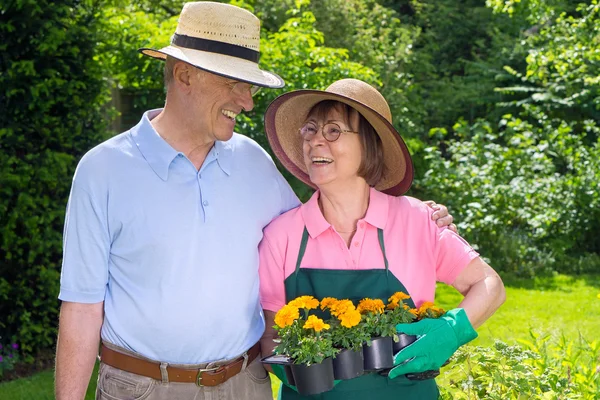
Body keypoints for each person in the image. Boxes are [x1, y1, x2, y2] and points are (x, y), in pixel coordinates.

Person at [54, 3, 456, 400]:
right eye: (235, 83)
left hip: (245, 385)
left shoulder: (251, 161)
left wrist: (419, 218)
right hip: (140, 388)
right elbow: (81, 308)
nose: (246, 101)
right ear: (184, 75)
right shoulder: (103, 170)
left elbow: (323, 220)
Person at [258, 78, 506, 399]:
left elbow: (490, 285)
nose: (316, 141)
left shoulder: (417, 221)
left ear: (370, 145)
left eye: (333, 130)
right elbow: (270, 334)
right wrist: (291, 369)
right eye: (310, 129)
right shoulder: (282, 235)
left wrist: (451, 330)